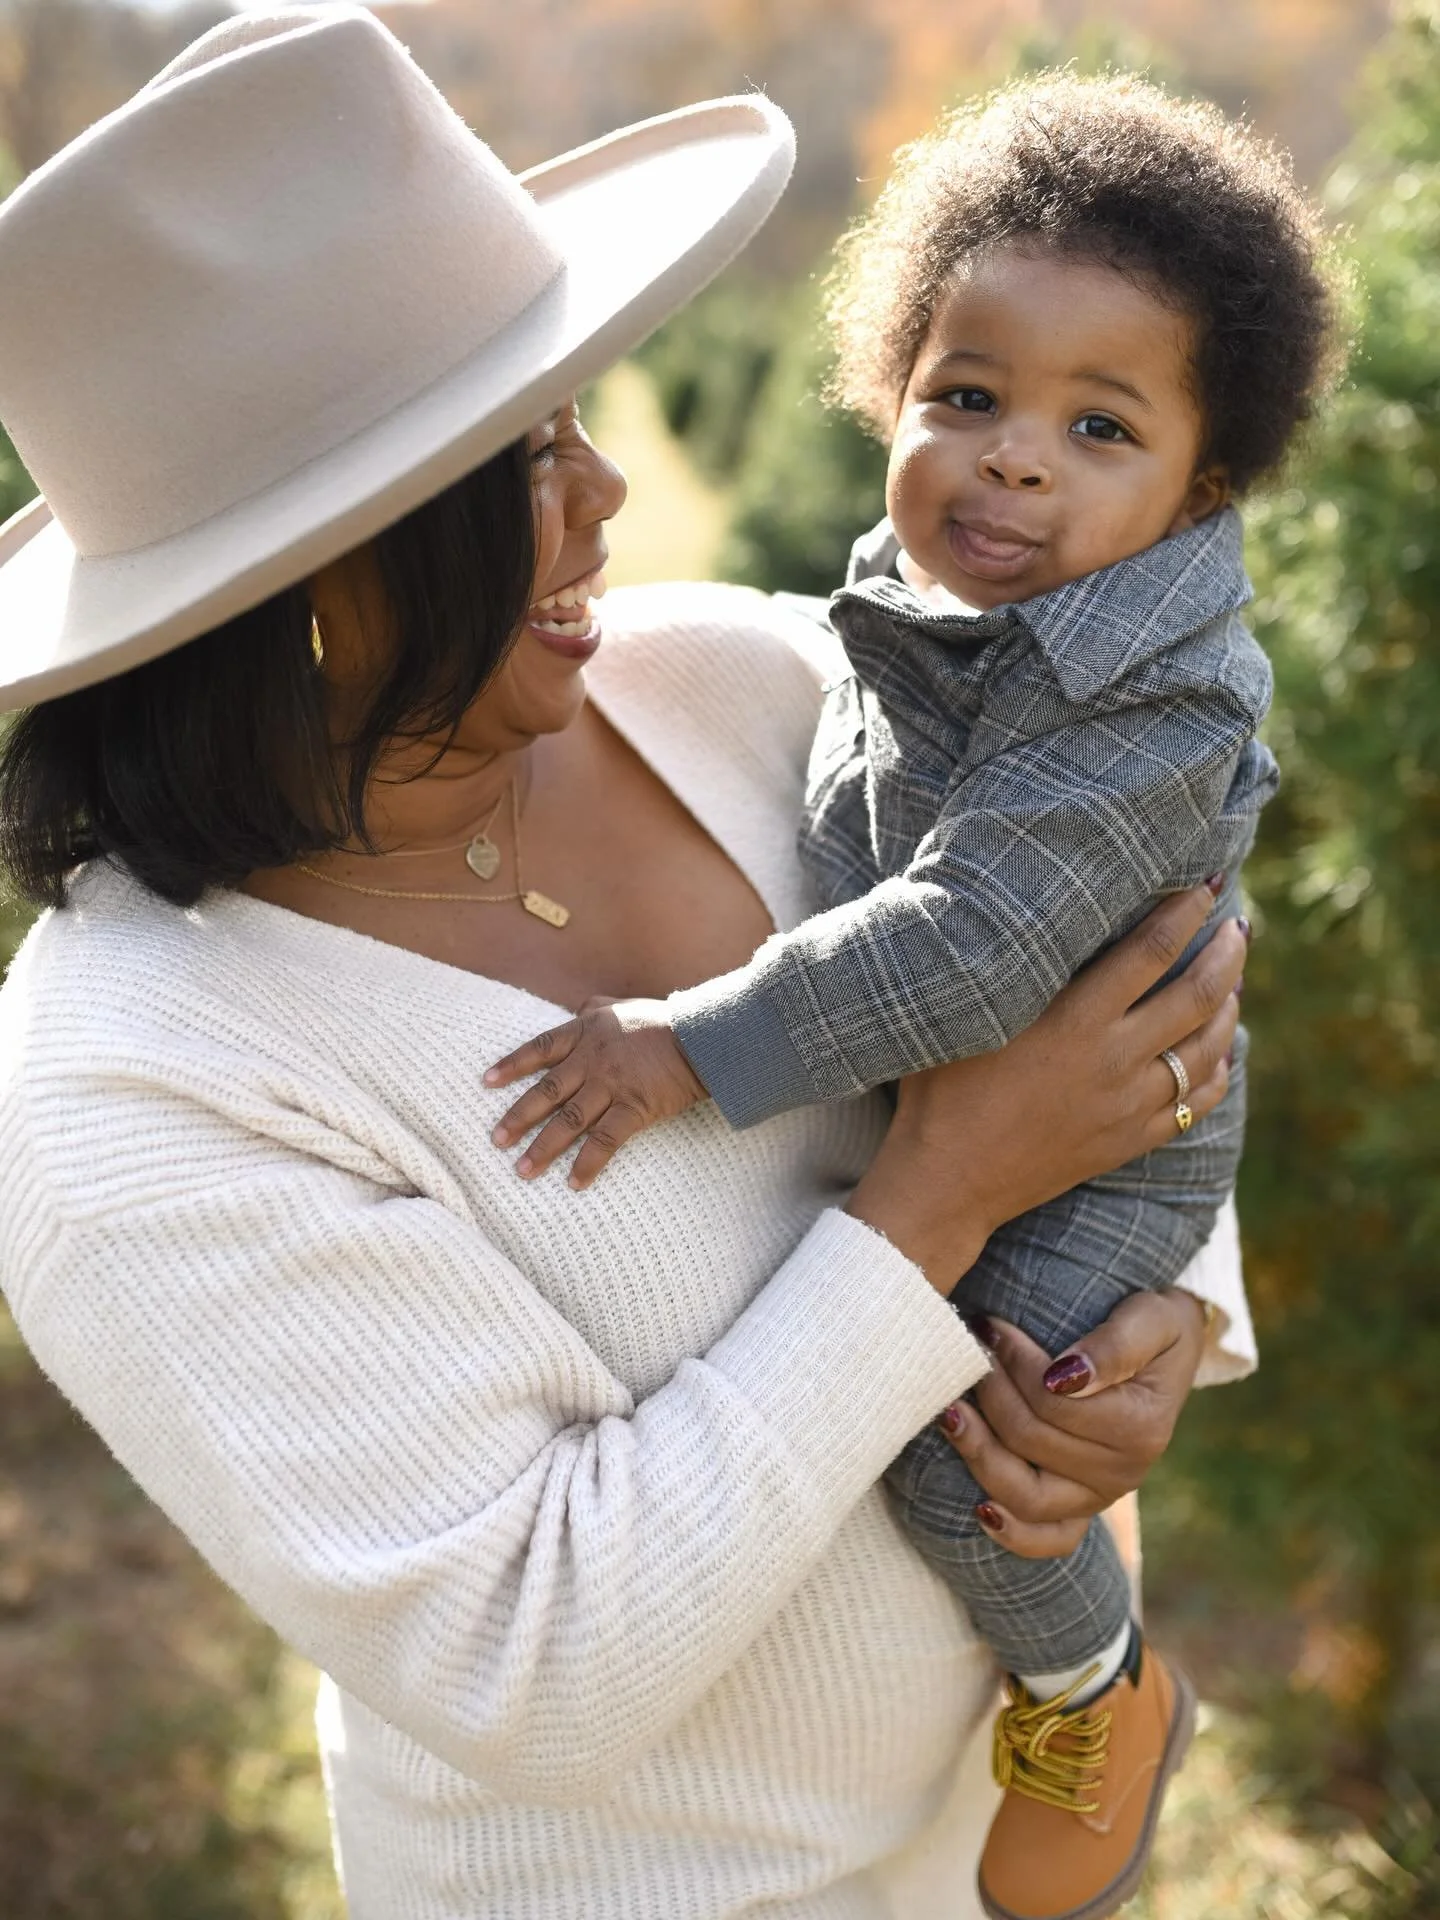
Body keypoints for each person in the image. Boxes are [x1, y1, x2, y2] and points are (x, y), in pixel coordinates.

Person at [0, 13, 1251, 1919]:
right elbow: (534, 1658)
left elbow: (1110, 946)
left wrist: (1153, 1331)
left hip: (999, 1832)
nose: (605, 501)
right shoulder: (134, 1085)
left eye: (582, 419)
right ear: (313, 577)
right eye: (523, 460)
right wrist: (934, 1198)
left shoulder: (749, 684)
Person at [482, 75, 1337, 1920]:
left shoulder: (1152, 703)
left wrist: (681, 1053)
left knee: (970, 1474)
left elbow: (967, 944)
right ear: (892, 389)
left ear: (1207, 477)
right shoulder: (908, 598)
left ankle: (1099, 1693)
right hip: (1001, 1104)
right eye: (966, 399)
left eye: (1098, 426)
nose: (1013, 459)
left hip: (1096, 1165)